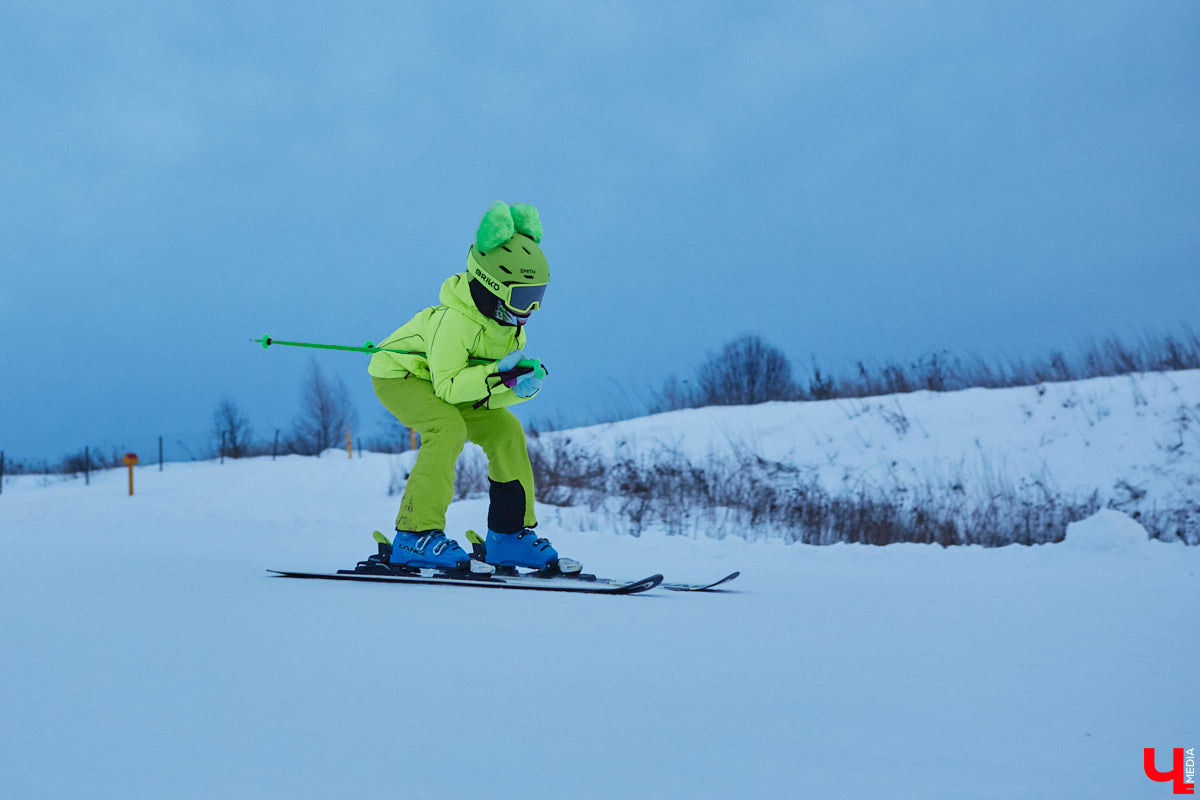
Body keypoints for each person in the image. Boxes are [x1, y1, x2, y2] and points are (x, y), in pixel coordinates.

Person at [367, 201, 570, 574]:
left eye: (538, 295)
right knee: (447, 427)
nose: (531, 310)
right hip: (402, 376)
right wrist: (497, 375)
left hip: (452, 386)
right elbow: (448, 387)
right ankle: (414, 535)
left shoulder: (509, 329)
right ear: (493, 286)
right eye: (522, 297)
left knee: (507, 429)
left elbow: (486, 392)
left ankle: (509, 536)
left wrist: (519, 387)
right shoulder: (454, 322)